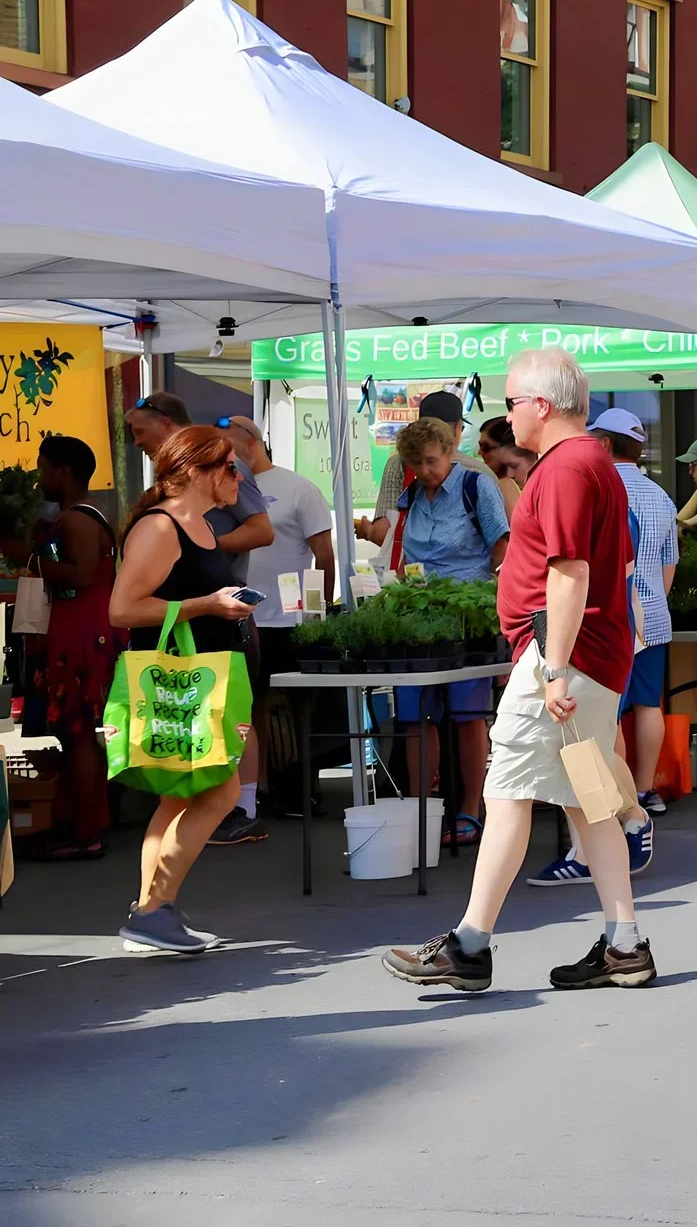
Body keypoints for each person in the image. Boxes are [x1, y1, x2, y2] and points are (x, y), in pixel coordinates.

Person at [385, 348, 653, 993]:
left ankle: (470, 944)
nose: (505, 413)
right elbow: (595, 569)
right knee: (590, 804)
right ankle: (625, 945)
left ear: (541, 404)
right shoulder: (590, 462)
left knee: (507, 792)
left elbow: (571, 572)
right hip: (587, 657)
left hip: (561, 660)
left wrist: (553, 667)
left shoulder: (565, 467)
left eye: (510, 401)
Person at [108, 425, 259, 954]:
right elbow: (122, 609)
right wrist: (209, 604)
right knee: (219, 791)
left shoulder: (198, 525)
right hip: (178, 680)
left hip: (198, 681)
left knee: (178, 795)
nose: (239, 476)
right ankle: (152, 911)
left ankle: (152, 910)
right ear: (197, 472)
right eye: (229, 467)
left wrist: (220, 603)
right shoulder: (161, 526)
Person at [367, 417, 517, 860]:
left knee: (468, 715)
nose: (425, 469)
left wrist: (492, 602)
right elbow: (404, 554)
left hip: (468, 614)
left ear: (450, 452)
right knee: (415, 716)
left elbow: (502, 547)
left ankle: (471, 809)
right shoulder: (411, 496)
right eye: (416, 462)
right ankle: (420, 811)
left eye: (431, 460)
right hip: (418, 615)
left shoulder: (477, 487)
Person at [217, 415, 334, 843]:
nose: (224, 455)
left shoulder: (297, 487)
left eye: (228, 445)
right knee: (250, 708)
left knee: (286, 708)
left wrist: (318, 614)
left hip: (288, 617)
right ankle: (258, 791)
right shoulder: (226, 488)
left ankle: (297, 787)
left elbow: (324, 553)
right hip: (243, 616)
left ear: (251, 443)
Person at [15, 436, 121, 862]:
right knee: (74, 732)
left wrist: (29, 558)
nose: (40, 477)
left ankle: (87, 832)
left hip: (81, 637)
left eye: (44, 468)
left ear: (64, 471)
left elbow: (79, 574)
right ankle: (81, 823)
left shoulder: (76, 520)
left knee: (78, 733)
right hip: (85, 631)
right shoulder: (87, 514)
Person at [595, 410, 680, 820]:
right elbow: (668, 567)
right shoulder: (661, 496)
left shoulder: (600, 488)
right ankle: (647, 790)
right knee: (648, 705)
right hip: (654, 617)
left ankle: (617, 797)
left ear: (605, 444)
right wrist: (650, 606)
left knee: (608, 710)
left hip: (612, 619)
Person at [127, 393, 274, 562]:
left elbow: (262, 531)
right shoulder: (174, 470)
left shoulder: (222, 462)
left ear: (166, 423)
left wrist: (201, 548)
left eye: (140, 432)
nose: (136, 442)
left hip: (219, 583)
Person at [374, 390, 493, 520]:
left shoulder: (398, 463)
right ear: (458, 428)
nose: (425, 472)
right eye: (418, 463)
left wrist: (368, 530)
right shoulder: (481, 472)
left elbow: (384, 530)